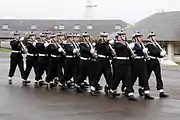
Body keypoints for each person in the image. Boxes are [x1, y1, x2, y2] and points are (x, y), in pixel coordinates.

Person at [106, 30, 137, 100]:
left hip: (127, 62)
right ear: (119, 37)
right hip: (119, 63)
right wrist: (128, 46)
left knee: (128, 78)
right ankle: (112, 90)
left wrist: (132, 53)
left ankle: (130, 93)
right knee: (118, 78)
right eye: (122, 36)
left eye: (124, 36)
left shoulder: (126, 44)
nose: (124, 37)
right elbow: (120, 47)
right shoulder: (117, 44)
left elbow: (129, 52)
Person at [129, 32, 154, 100]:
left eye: (141, 37)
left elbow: (144, 53)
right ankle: (128, 91)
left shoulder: (142, 44)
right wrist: (140, 50)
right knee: (133, 78)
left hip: (142, 62)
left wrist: (146, 53)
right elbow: (131, 52)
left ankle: (146, 92)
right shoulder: (132, 44)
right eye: (139, 37)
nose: (141, 38)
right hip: (135, 62)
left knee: (145, 77)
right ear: (136, 38)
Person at [146, 32, 169, 98]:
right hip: (150, 61)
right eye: (153, 36)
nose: (154, 38)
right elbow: (153, 52)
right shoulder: (148, 45)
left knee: (158, 76)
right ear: (150, 38)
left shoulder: (156, 44)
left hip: (156, 61)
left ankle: (161, 91)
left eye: (154, 36)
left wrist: (163, 55)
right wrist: (160, 54)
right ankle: (142, 88)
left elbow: (159, 53)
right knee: (147, 76)